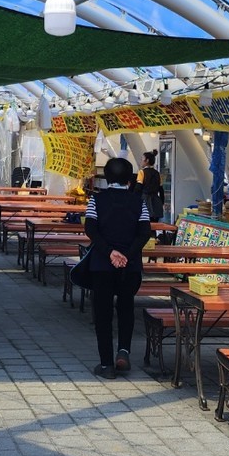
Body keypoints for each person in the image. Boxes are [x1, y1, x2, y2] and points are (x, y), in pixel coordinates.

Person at [84, 156, 152, 379]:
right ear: (129, 180)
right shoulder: (138, 202)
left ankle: (106, 365)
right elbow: (144, 233)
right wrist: (126, 255)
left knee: (102, 313)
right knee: (126, 308)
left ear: (108, 178)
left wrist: (110, 253)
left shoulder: (96, 200)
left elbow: (91, 230)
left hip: (102, 265)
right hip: (130, 267)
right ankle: (123, 351)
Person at [136, 150, 165, 224]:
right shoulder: (157, 174)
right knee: (154, 226)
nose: (141, 161)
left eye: (142, 159)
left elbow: (138, 188)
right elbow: (161, 190)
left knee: (144, 225)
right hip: (156, 203)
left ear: (147, 160)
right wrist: (162, 203)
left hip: (145, 202)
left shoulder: (141, 172)